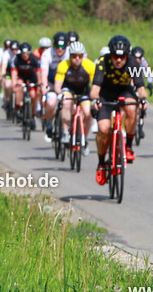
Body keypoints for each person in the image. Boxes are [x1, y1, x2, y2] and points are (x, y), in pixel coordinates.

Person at [90, 35, 147, 183]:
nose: (119, 60)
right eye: (116, 56)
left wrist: (143, 99)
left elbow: (140, 87)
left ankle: (128, 146)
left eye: (122, 57)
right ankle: (102, 163)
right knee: (103, 129)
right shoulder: (103, 62)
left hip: (124, 91)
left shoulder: (133, 63)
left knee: (132, 108)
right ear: (111, 54)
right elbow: (95, 88)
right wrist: (95, 100)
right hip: (105, 93)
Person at [54, 40, 96, 155]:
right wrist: (60, 94)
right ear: (70, 56)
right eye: (74, 56)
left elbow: (95, 86)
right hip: (68, 89)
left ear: (83, 56)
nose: (77, 58)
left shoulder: (90, 65)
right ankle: (65, 132)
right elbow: (58, 86)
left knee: (88, 113)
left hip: (84, 91)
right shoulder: (63, 65)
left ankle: (84, 139)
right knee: (66, 103)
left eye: (80, 56)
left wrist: (95, 98)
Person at [41, 33, 70, 139]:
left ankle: (67, 127)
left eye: (63, 47)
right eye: (57, 47)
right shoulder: (47, 54)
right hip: (51, 83)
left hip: (66, 84)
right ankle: (49, 124)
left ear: (67, 46)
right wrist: (44, 85)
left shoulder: (70, 54)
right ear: (54, 45)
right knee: (51, 103)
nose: (60, 50)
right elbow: (44, 73)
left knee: (69, 102)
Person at [10, 42, 43, 126]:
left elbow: (38, 72)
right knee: (19, 86)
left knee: (33, 95)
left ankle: (32, 115)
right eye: (23, 54)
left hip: (31, 77)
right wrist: (14, 85)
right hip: (20, 76)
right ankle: (18, 107)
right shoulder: (16, 59)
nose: (25, 55)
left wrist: (39, 82)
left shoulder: (34, 59)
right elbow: (14, 73)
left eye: (27, 53)